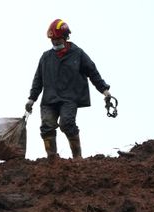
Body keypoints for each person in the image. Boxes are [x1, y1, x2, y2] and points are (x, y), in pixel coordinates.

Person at [25, 19, 112, 160]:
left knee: (67, 124)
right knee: (47, 126)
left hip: (69, 99)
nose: (54, 42)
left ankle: (77, 157)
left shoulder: (78, 54)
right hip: (49, 100)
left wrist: (104, 90)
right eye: (52, 39)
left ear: (65, 37)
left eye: (57, 39)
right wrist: (31, 99)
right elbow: (38, 79)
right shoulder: (46, 57)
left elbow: (92, 72)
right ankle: (52, 158)